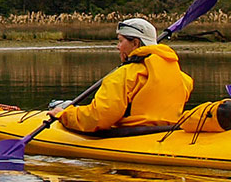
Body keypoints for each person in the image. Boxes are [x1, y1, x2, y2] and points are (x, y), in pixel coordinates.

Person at [49, 18, 193, 133]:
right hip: (169, 133)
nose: (118, 46)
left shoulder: (124, 76)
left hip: (132, 136)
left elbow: (98, 118)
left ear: (135, 43)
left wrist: (64, 115)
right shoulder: (182, 78)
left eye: (120, 41)